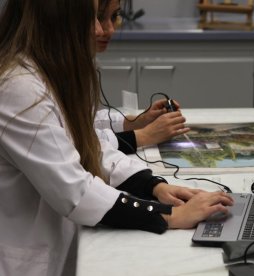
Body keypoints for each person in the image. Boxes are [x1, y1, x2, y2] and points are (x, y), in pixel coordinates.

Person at [0, 1, 233, 275]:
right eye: (93, 18)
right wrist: (169, 215)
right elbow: (76, 192)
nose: (101, 29)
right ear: (57, 17)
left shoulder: (51, 74)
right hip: (24, 259)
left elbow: (91, 145)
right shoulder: (18, 88)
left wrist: (154, 187)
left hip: (59, 241)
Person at [94, 0, 190, 154]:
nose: (109, 30)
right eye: (97, 17)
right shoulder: (48, 82)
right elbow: (76, 144)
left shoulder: (80, 63)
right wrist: (145, 135)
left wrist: (138, 122)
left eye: (114, 17)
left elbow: (88, 123)